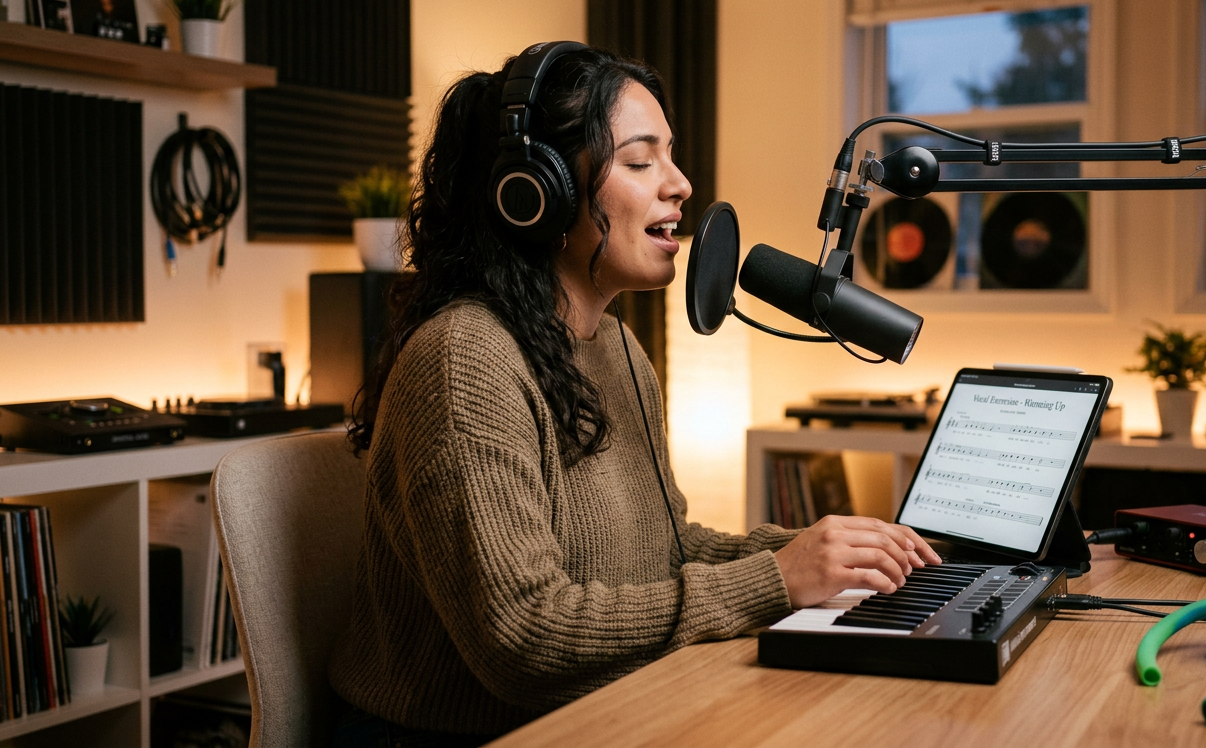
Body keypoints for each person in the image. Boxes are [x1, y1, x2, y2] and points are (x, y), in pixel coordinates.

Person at [327, 43, 940, 746]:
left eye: (671, 158)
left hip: (597, 717)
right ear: (537, 190)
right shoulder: (463, 360)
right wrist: (776, 580)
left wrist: (825, 556)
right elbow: (523, 638)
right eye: (641, 161)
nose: (679, 184)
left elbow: (667, 547)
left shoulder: (616, 347)